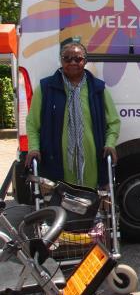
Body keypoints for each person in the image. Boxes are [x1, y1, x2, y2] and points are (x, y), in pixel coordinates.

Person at [26, 42, 121, 188]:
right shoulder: (46, 88)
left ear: (85, 61)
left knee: (91, 202)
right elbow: (33, 123)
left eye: (78, 59)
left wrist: (110, 144)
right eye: (67, 58)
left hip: (92, 163)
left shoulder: (97, 88)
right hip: (56, 161)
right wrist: (33, 148)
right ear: (61, 61)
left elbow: (113, 122)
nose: (72, 62)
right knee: (60, 202)